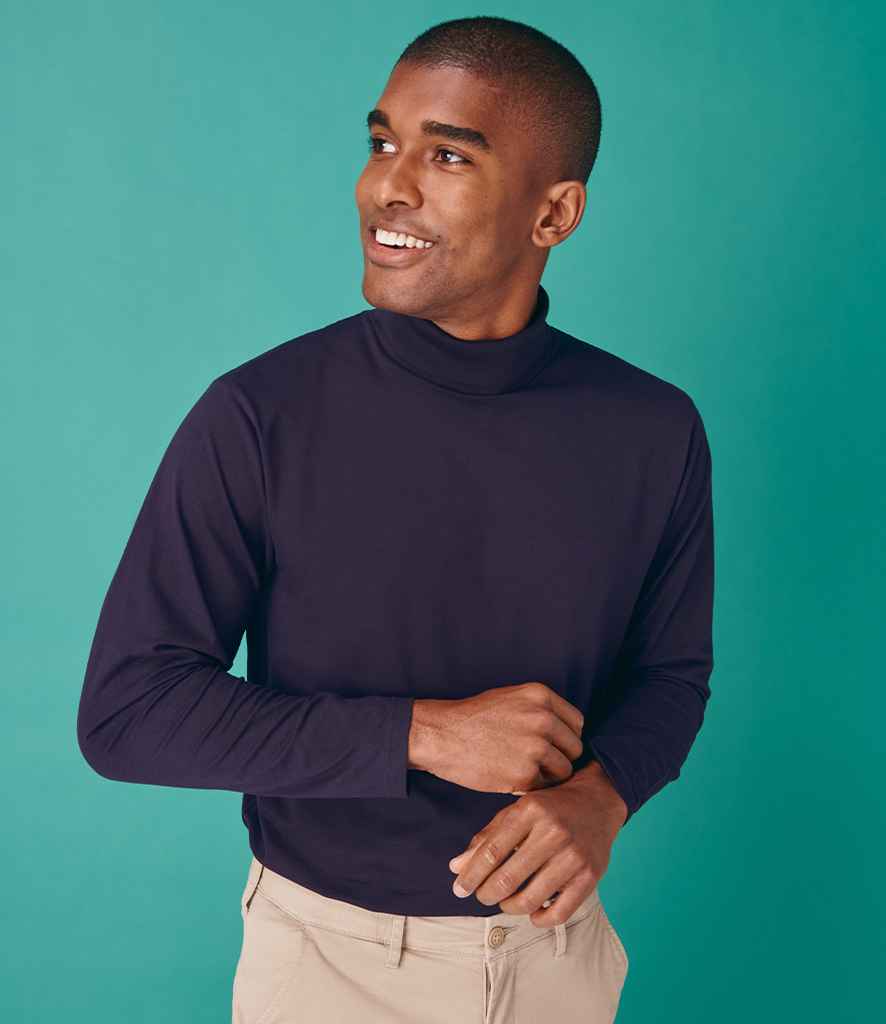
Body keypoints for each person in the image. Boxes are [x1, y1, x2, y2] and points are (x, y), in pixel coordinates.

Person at [77, 15, 714, 1024]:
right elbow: (127, 714)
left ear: (553, 213)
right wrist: (421, 733)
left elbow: (671, 675)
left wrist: (604, 795)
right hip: (327, 966)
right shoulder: (259, 414)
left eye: (448, 155)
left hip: (557, 958)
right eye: (383, 143)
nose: (387, 186)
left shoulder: (653, 428)